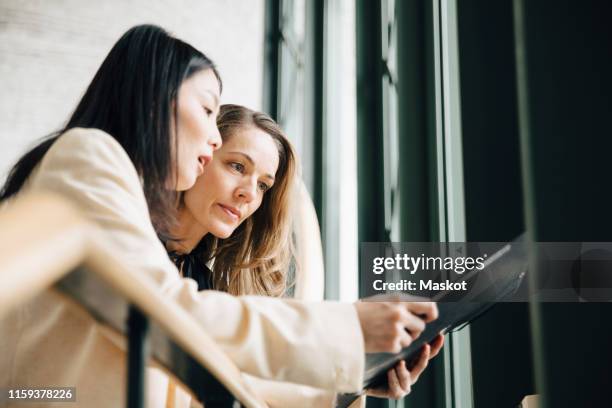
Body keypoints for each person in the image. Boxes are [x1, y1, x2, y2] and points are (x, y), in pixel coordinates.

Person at [0, 25, 438, 407]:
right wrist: (349, 330)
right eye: (208, 110)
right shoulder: (89, 154)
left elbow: (216, 362)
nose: (211, 137)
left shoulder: (189, 271)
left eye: (264, 185)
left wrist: (353, 375)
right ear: (155, 98)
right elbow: (169, 315)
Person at [165, 104, 444, 406]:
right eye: (237, 166)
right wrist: (352, 325)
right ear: (200, 155)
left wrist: (355, 381)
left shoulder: (203, 281)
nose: (248, 193)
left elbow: (243, 383)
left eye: (263, 185)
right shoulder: (145, 252)